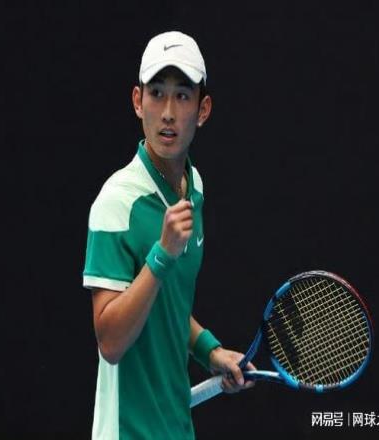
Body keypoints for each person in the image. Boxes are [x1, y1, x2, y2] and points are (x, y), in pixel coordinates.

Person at [83, 30, 255, 440]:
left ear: (203, 109)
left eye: (182, 96)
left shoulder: (194, 188)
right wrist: (162, 255)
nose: (168, 112)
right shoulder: (116, 203)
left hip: (176, 427)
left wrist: (210, 351)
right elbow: (110, 342)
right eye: (157, 93)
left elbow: (167, 306)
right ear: (137, 101)